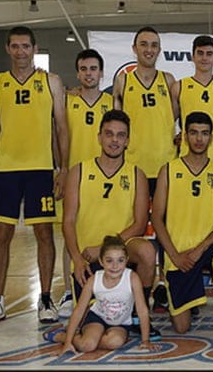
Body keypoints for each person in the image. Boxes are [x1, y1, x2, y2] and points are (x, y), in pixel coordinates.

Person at [0, 26, 69, 325]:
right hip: (5, 169)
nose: (20, 52)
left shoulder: (51, 81)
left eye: (25, 46)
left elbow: (61, 129)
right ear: (7, 49)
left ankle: (45, 297)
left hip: (41, 169)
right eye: (15, 46)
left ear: (34, 48)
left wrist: (63, 168)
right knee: (1, 236)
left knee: (44, 234)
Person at [149, 111, 213, 346]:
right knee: (182, 328)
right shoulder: (168, 171)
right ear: (183, 137)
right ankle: (186, 301)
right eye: (193, 133)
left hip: (208, 247)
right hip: (178, 253)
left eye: (204, 133)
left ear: (212, 137)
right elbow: (157, 218)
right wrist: (174, 255)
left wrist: (200, 249)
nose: (199, 139)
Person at [62, 109, 159, 338]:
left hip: (119, 256)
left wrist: (104, 251)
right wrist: (76, 258)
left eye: (120, 135)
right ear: (99, 137)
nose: (114, 140)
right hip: (88, 259)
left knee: (146, 251)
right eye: (109, 134)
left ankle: (138, 313)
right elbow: (67, 221)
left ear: (127, 141)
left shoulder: (137, 175)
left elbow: (139, 223)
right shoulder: (80, 171)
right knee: (90, 335)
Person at [113, 26, 178, 314]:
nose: (149, 49)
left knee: (168, 230)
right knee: (136, 231)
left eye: (153, 44)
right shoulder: (122, 82)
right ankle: (131, 287)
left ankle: (165, 285)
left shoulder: (169, 81)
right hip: (135, 169)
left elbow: (177, 119)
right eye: (143, 44)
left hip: (165, 167)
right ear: (134, 48)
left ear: (159, 49)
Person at [58, 48, 114, 317]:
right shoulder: (67, 102)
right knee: (70, 232)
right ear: (78, 72)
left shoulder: (112, 103)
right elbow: (59, 138)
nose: (88, 74)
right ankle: (69, 291)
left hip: (105, 174)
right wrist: (61, 169)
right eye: (84, 69)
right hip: (75, 176)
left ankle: (107, 284)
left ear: (101, 73)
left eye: (93, 69)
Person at [44, 235, 160, 355]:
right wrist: (67, 343)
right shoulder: (94, 280)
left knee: (115, 342)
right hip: (97, 318)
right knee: (87, 345)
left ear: (127, 260)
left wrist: (145, 341)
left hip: (120, 323)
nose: (115, 266)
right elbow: (79, 310)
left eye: (120, 260)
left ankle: (80, 337)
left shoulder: (132, 278)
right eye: (109, 261)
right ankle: (62, 337)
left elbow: (142, 310)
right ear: (101, 261)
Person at [171, 35, 213, 167]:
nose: (204, 58)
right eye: (200, 53)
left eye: (209, 54)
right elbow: (170, 121)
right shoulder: (179, 86)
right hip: (188, 159)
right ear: (193, 57)